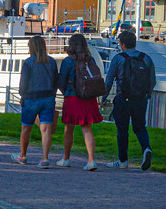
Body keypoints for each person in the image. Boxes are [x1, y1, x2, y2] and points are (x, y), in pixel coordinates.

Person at [103, 29, 155, 170]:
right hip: (140, 99)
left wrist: (103, 97)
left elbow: (109, 81)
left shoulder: (119, 58)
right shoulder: (146, 58)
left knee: (122, 130)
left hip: (123, 98)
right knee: (140, 127)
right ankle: (146, 148)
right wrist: (146, 95)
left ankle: (123, 160)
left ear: (123, 44)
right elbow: (152, 81)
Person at [56, 34, 102, 171]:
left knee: (68, 129)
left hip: (72, 97)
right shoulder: (90, 59)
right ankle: (91, 160)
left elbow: (61, 81)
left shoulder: (68, 61)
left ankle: (66, 158)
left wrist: (66, 92)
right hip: (88, 97)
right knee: (87, 129)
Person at [12, 35, 58, 168]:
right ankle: (45, 159)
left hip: (31, 98)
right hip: (48, 98)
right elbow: (56, 81)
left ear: (31, 47)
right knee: (46, 130)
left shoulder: (28, 62)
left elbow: (24, 83)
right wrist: (53, 94)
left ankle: (23, 155)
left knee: (26, 128)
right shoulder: (52, 62)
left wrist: (23, 95)